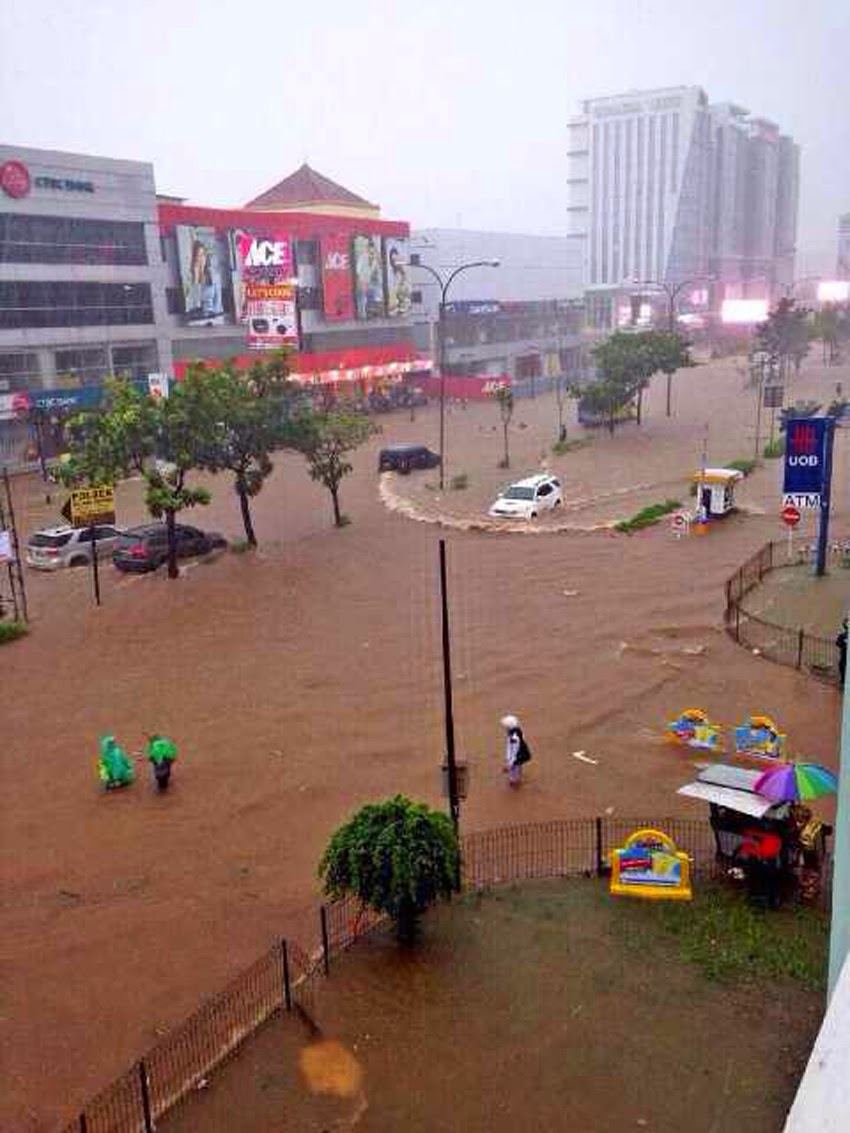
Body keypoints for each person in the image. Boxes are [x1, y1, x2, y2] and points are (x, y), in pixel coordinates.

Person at [501, 714, 531, 788]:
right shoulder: (518, 731)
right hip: (521, 752)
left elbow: (514, 750)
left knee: (515, 766)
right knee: (518, 765)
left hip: (518, 754)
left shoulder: (513, 736)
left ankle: (514, 780)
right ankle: (517, 778)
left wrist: (509, 763)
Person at [837, 617, 848, 688]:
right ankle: (843, 681)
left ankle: (843, 681)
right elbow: (838, 643)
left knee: (842, 666)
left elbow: (838, 643)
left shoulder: (843, 635)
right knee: (842, 666)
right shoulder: (843, 635)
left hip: (844, 654)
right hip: (844, 654)